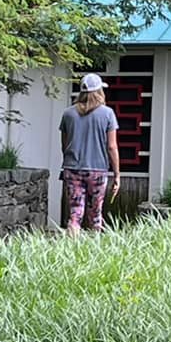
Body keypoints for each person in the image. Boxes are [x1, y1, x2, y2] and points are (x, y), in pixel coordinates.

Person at [59, 72, 122, 235]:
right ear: (99, 91)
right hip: (98, 170)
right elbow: (112, 147)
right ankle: (95, 245)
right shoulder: (108, 114)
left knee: (75, 213)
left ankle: (72, 245)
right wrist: (117, 174)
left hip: (72, 168)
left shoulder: (68, 114)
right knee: (95, 213)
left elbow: (65, 145)